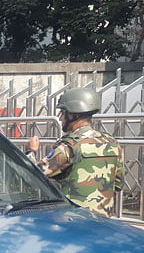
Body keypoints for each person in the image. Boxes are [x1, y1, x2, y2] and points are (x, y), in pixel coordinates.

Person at [27, 87, 123, 217]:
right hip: (102, 220)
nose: (60, 119)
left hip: (73, 220)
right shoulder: (112, 143)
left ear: (73, 115)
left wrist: (31, 151)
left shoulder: (69, 147)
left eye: (62, 113)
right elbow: (118, 184)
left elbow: (33, 175)